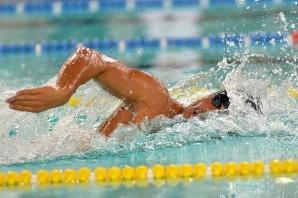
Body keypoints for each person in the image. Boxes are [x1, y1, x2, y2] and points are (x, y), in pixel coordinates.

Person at [5, 47, 230, 137]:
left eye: (222, 113)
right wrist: (61, 90)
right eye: (218, 100)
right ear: (207, 95)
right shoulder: (156, 99)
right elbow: (90, 57)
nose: (210, 111)